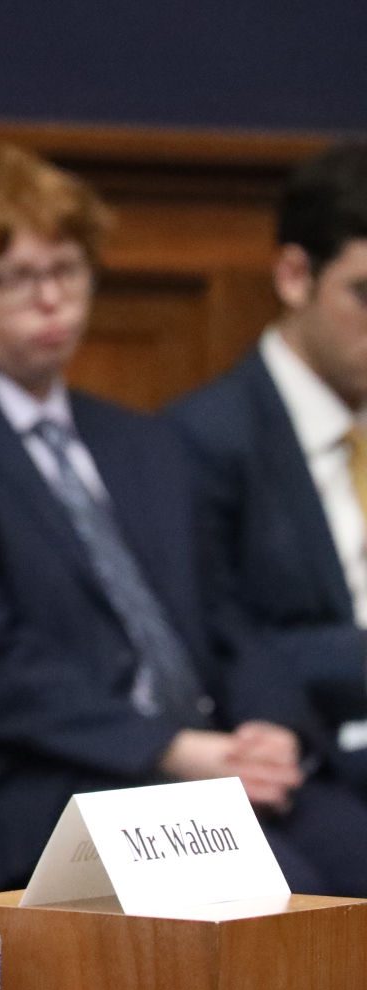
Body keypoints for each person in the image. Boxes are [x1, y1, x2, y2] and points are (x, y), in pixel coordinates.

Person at [0, 143, 367, 895]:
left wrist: (269, 728)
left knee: (350, 850)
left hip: (186, 771)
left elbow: (221, 619)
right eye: (16, 278)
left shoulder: (138, 442)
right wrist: (171, 748)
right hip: (26, 785)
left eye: (68, 270)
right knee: (275, 888)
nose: (52, 299)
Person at [167, 144, 367, 801]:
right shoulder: (199, 442)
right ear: (294, 276)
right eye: (365, 294)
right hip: (310, 774)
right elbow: (224, 651)